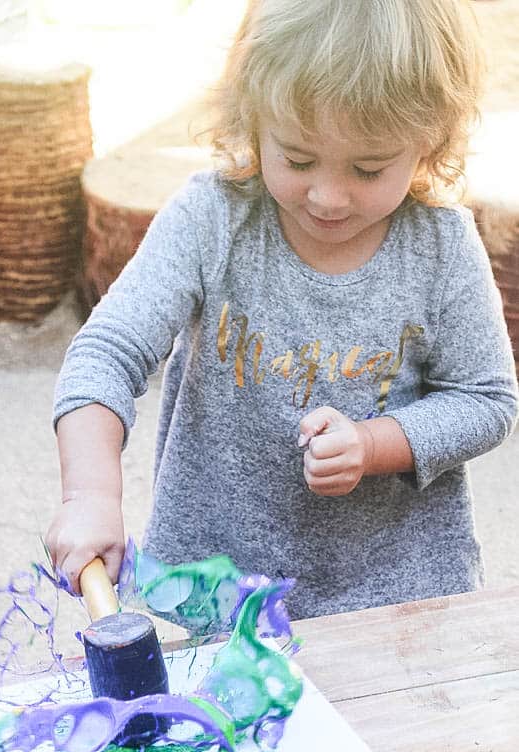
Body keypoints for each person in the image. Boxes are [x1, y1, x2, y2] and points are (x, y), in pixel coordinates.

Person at [46, 0, 518, 621]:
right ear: (253, 117)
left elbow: (485, 399)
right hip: (218, 591)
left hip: (392, 599)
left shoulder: (440, 246)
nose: (327, 196)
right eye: (297, 159)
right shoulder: (212, 219)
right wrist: (89, 495)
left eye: (369, 169)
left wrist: (375, 445)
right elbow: (108, 350)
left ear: (429, 142)